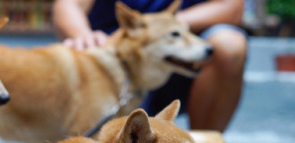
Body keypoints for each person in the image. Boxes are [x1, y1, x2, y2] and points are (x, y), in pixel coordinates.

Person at [52, 0, 247, 132]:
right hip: (116, 61)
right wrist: (82, 35)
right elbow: (68, 4)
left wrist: (162, 27)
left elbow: (232, 7)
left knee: (229, 45)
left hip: (181, 62)